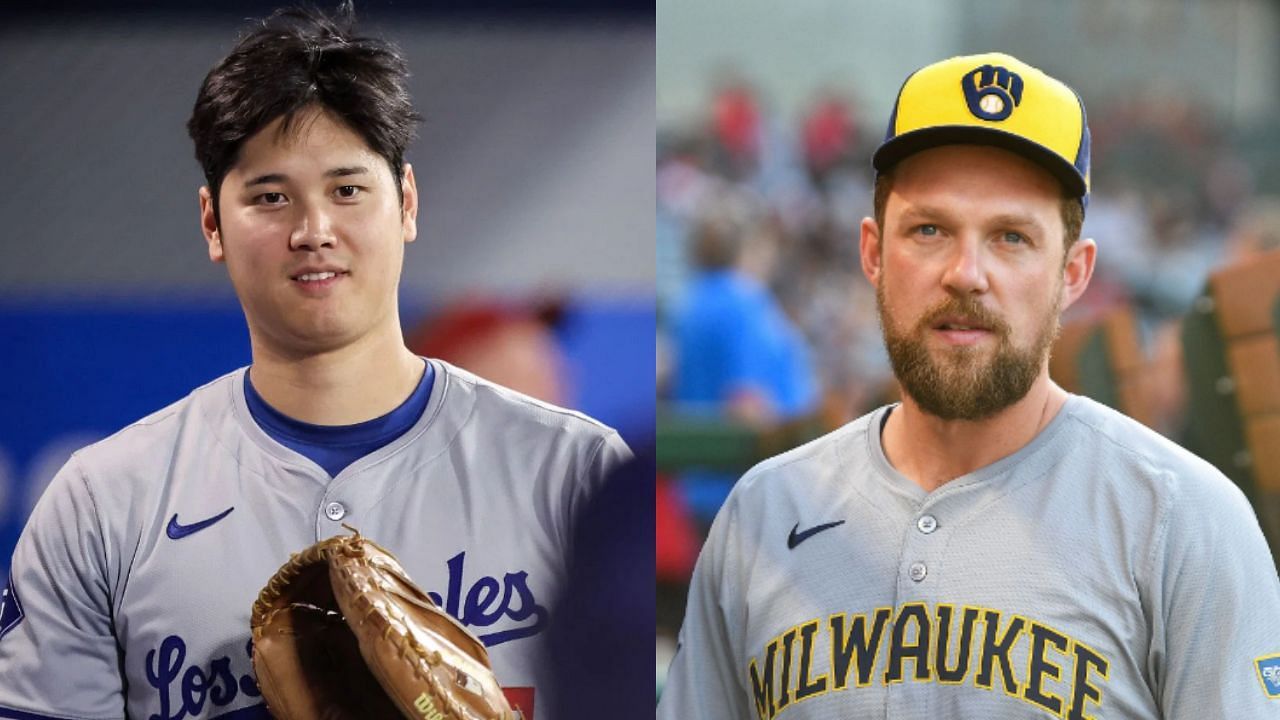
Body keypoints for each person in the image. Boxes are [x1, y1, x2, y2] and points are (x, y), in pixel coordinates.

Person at [0, 5, 629, 719]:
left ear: (408, 202)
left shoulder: (578, 472)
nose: (313, 231)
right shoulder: (103, 505)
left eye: (348, 189)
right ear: (212, 222)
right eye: (271, 197)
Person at [657, 52, 1280, 720]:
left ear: (1074, 273)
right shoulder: (761, 512)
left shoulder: (1183, 521)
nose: (966, 272)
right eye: (929, 230)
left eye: (1011, 237)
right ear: (872, 253)